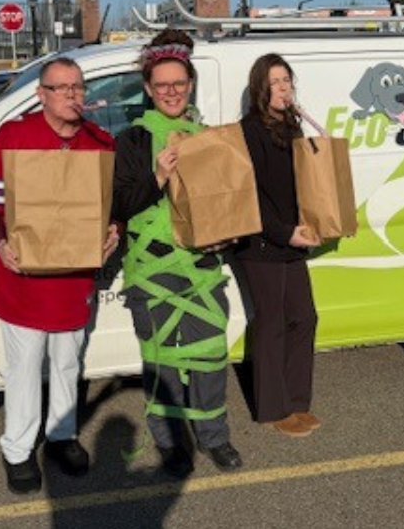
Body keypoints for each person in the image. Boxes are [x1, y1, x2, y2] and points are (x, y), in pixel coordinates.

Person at [0, 57, 119, 495]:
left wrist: (114, 231)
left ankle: (61, 436)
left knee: (69, 362)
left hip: (74, 278)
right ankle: (16, 449)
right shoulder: (13, 137)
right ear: (41, 95)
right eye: (60, 88)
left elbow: (112, 208)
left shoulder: (101, 142)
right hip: (23, 278)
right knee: (26, 367)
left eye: (77, 87)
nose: (71, 95)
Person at [112, 29, 243, 476]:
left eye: (179, 84)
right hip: (152, 270)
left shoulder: (207, 138)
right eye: (162, 85)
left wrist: (228, 237)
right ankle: (169, 441)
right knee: (163, 358)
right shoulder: (131, 142)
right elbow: (120, 205)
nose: (171, 92)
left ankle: (214, 437)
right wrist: (158, 178)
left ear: (190, 87)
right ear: (148, 89)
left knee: (208, 355)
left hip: (203, 267)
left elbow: (226, 204)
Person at [236, 54, 322, 438]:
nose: (284, 87)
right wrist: (281, 231)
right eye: (276, 82)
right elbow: (248, 196)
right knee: (271, 324)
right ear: (261, 88)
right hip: (262, 242)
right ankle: (274, 408)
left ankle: (298, 401)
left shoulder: (293, 127)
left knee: (305, 317)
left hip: (293, 239)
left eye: (287, 80)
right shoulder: (249, 131)